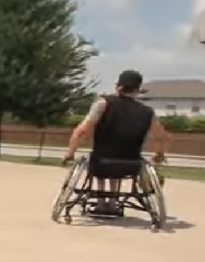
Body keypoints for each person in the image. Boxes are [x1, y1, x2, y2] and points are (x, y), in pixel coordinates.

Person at [63, 69, 171, 215]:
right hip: (131, 166)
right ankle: (113, 203)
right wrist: (159, 154)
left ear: (118, 86)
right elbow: (162, 137)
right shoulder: (147, 112)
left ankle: (101, 203)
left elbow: (81, 131)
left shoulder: (103, 104)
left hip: (101, 162)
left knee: (99, 159)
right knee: (118, 164)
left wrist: (70, 152)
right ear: (137, 90)